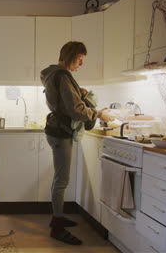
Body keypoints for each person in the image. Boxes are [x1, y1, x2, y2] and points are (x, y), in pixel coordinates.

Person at [40, 41, 112, 245]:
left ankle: (59, 216)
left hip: (55, 129)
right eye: (80, 59)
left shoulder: (51, 74)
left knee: (59, 178)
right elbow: (76, 110)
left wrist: (77, 91)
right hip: (60, 132)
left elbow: (66, 101)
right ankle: (57, 226)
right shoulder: (63, 75)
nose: (81, 64)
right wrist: (99, 113)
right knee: (62, 179)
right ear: (71, 56)